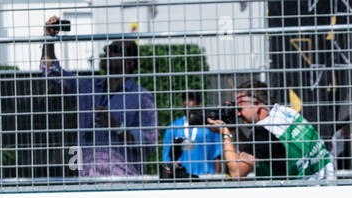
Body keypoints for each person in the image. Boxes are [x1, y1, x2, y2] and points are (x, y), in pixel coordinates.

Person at [41, 17, 159, 178]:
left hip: (125, 183)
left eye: (115, 50)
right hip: (87, 182)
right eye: (108, 48)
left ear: (130, 63)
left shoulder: (142, 98)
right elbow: (52, 73)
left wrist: (118, 127)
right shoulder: (87, 87)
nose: (108, 52)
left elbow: (150, 143)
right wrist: (48, 39)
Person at [211, 79, 334, 182]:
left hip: (303, 194)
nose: (238, 113)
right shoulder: (285, 112)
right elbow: (255, 148)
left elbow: (237, 172)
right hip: (324, 180)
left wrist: (225, 134)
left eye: (240, 108)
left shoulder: (264, 131)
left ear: (257, 105)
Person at [160, 91, 220, 178]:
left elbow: (217, 155)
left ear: (199, 103)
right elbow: (166, 158)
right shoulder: (173, 127)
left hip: (206, 177)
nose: (187, 102)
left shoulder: (210, 127)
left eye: (191, 99)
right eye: (185, 99)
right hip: (181, 177)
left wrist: (216, 178)